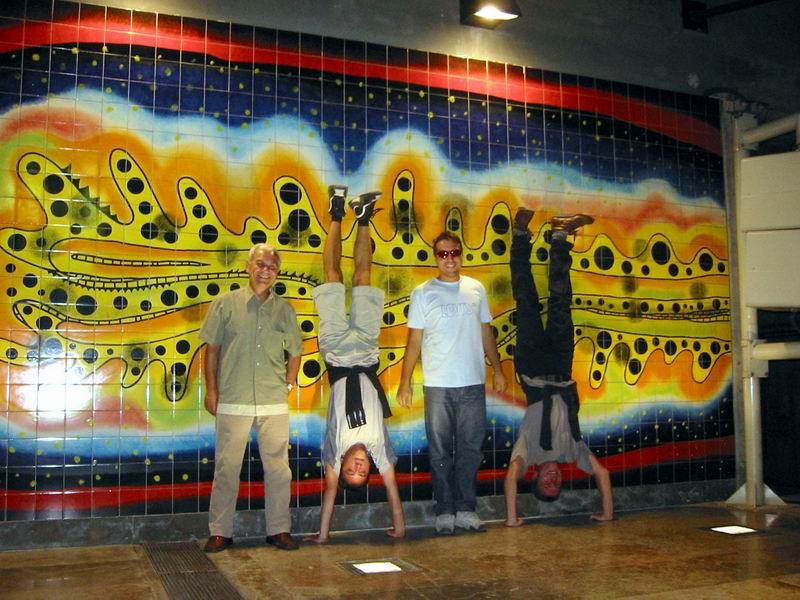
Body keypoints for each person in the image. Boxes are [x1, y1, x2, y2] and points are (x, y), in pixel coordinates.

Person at [504, 208, 613, 526]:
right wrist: (607, 515)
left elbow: (510, 478)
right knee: (561, 301)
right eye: (557, 485)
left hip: (533, 369)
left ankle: (520, 237)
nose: (553, 480)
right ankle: (560, 235)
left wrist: (512, 519)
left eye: (546, 484)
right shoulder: (573, 452)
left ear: (535, 476)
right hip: (562, 369)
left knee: (526, 300)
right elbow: (603, 474)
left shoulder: (528, 455)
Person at [310, 185, 405, 544]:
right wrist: (400, 527)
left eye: (351, 470)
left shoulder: (334, 451)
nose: (357, 466)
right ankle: (363, 218)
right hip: (365, 354)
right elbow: (393, 489)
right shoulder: (380, 449)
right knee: (363, 279)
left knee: (333, 276)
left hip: (336, 354)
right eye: (362, 472)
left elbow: (329, 492)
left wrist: (323, 536)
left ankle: (337, 213)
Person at [396, 231, 507, 535]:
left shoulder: (476, 289)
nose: (449, 259)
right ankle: (444, 510)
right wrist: (405, 381)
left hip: (472, 382)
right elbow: (414, 340)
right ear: (436, 257)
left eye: (454, 252)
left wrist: (497, 369)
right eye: (443, 254)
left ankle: (466, 509)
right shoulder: (422, 293)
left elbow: (486, 332)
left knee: (471, 449)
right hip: (438, 384)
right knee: (440, 451)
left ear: (461, 254)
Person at [200, 243, 303, 552]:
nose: (264, 271)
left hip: (273, 401)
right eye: (260, 264)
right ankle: (220, 531)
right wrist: (212, 390)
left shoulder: (284, 310)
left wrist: (288, 384)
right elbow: (211, 350)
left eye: (271, 267)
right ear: (248, 266)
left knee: (279, 470)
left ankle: (279, 529)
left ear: (277, 273)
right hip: (233, 398)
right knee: (227, 468)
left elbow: (296, 351)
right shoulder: (225, 304)